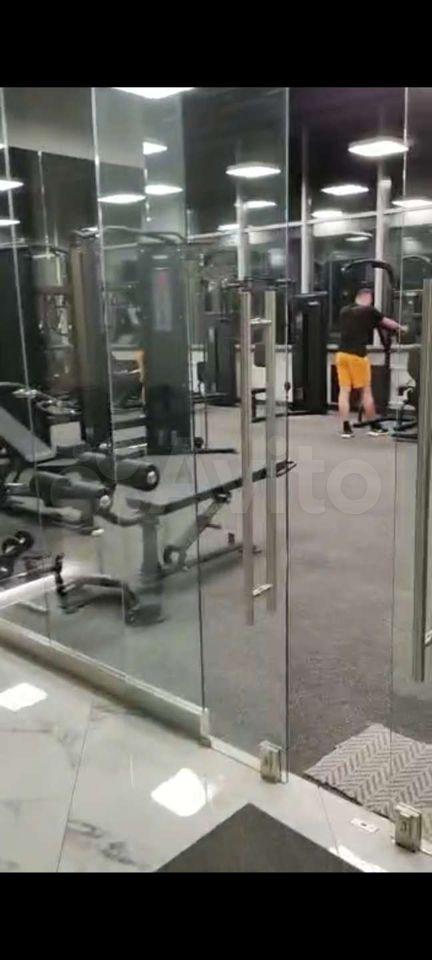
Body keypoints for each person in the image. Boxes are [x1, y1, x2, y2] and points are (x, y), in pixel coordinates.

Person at [336, 288, 407, 438]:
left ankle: (346, 429)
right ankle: (374, 426)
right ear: (367, 297)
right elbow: (389, 323)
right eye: (371, 299)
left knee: (344, 391)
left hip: (341, 355)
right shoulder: (369, 311)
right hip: (357, 356)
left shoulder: (344, 311)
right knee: (366, 392)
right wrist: (402, 329)